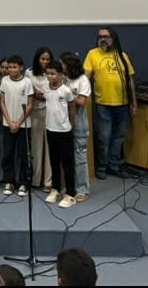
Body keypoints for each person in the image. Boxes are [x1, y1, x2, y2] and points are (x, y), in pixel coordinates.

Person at [83, 26, 137, 179]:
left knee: (119, 137)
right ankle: (102, 166)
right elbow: (86, 77)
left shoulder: (122, 55)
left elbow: (130, 80)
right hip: (103, 104)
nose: (102, 40)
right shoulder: (92, 54)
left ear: (113, 38)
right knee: (104, 137)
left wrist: (133, 103)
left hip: (123, 104)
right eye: (100, 37)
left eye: (106, 37)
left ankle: (114, 165)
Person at [43, 60, 77, 209]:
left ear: (61, 75)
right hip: (50, 130)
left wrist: (70, 125)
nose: (50, 76)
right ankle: (56, 189)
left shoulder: (66, 91)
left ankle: (70, 193)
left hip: (64, 131)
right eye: (48, 74)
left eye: (53, 74)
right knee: (54, 162)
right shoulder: (46, 89)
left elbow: (72, 109)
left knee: (67, 163)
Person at [0, 55, 34, 197]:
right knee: (7, 154)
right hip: (8, 124)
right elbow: (2, 102)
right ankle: (9, 181)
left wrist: (18, 122)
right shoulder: (5, 81)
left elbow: (30, 105)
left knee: (23, 155)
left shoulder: (27, 82)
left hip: (23, 125)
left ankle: (24, 183)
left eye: (14, 67)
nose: (11, 70)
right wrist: (9, 121)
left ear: (21, 68)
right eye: (9, 67)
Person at [60, 52, 92, 202]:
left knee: (79, 156)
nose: (61, 67)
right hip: (63, 119)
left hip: (78, 120)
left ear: (69, 65)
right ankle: (69, 187)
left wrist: (66, 96)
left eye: (63, 64)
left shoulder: (82, 80)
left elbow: (81, 101)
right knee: (67, 156)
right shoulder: (63, 78)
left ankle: (82, 189)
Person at [26, 46, 54, 192]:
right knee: (36, 147)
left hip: (50, 112)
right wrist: (37, 94)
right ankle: (35, 180)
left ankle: (48, 182)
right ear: (38, 59)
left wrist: (44, 95)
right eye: (42, 59)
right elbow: (29, 91)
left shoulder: (52, 73)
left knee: (49, 148)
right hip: (35, 112)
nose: (45, 62)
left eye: (48, 59)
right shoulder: (29, 73)